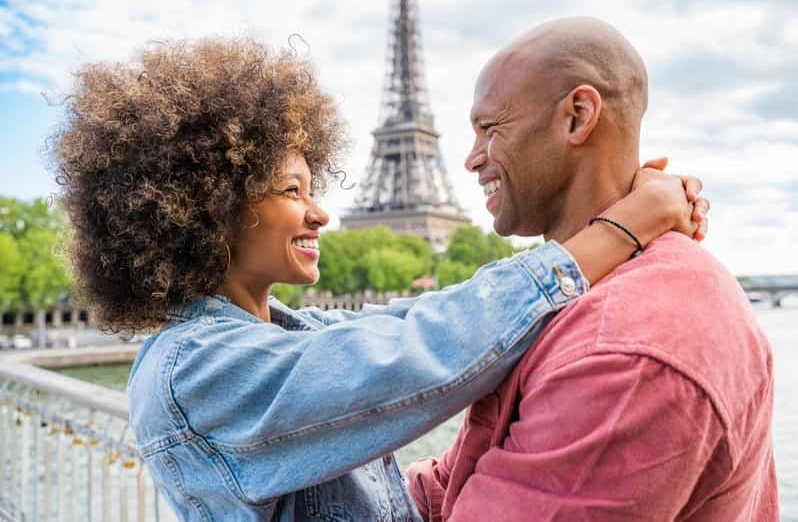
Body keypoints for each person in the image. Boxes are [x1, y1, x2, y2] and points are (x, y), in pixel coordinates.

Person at [51, 37, 707, 521]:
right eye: (292, 190)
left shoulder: (287, 336)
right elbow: (423, 352)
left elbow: (425, 322)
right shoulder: (196, 373)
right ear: (210, 208)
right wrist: (622, 227)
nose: (321, 211)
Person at [407, 17, 777, 521]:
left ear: (579, 116)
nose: (472, 159)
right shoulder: (600, 295)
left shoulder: (626, 345)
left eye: (490, 129)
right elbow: (451, 486)